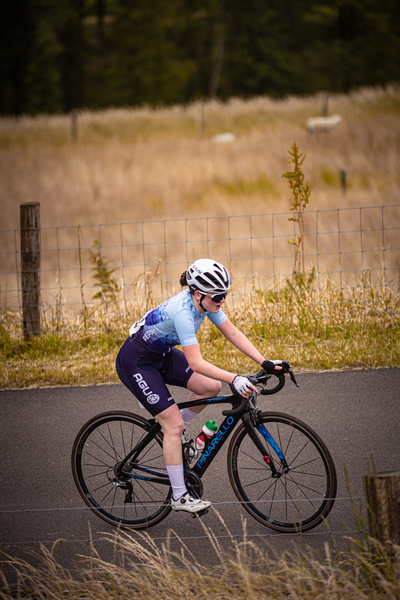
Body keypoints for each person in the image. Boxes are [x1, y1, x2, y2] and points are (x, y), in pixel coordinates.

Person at [116, 259, 284, 514]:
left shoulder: (206, 303)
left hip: (159, 355)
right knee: (172, 424)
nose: (223, 300)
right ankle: (179, 496)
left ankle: (175, 432)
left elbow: (233, 333)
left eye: (225, 294)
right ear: (197, 293)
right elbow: (195, 362)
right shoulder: (183, 313)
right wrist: (235, 377)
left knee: (211, 387)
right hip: (136, 363)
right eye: (219, 296)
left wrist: (265, 361)